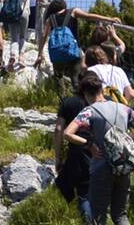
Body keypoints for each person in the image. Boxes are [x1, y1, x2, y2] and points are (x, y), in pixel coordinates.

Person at [64, 72, 134, 225]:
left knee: (99, 217)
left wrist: (89, 144)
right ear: (101, 89)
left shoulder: (89, 111)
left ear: (85, 93)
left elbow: (67, 134)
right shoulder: (123, 108)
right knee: (120, 215)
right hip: (123, 165)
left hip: (101, 167)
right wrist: (129, 138)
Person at [35, 0, 122, 95]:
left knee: (58, 77)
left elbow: (44, 36)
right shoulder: (73, 12)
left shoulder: (50, 19)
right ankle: (79, 100)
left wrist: (40, 54)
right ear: (64, 6)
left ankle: (62, 102)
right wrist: (109, 19)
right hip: (74, 51)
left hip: (58, 53)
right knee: (76, 78)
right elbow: (89, 16)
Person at [54, 71, 97, 222]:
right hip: (101, 150)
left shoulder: (69, 102)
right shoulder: (106, 102)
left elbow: (59, 129)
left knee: (83, 194)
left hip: (78, 152)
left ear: (79, 83)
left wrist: (58, 157)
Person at [0, 0, 44, 72]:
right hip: (24, 13)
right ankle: (21, 58)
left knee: (14, 38)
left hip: (11, 14)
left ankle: (12, 58)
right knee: (22, 36)